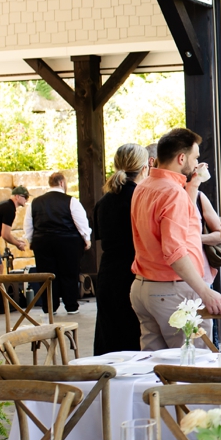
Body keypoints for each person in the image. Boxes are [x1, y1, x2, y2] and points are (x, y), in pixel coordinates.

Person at [130, 128, 221, 350]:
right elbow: (174, 251)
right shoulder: (172, 192)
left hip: (144, 288)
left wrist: (192, 186)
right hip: (172, 290)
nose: (196, 164)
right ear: (181, 158)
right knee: (193, 365)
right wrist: (205, 290)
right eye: (195, 158)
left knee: (155, 367)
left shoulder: (143, 186)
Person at [92, 144, 147, 355]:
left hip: (108, 272)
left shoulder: (104, 201)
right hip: (134, 270)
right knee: (133, 334)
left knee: (109, 334)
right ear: (144, 168)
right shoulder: (141, 197)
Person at [23, 172, 90, 314]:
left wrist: (31, 240)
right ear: (61, 183)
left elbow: (28, 225)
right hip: (68, 242)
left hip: (43, 242)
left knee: (46, 274)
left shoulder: (35, 203)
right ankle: (71, 306)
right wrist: (86, 238)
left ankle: (49, 307)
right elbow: (81, 222)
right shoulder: (71, 201)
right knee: (69, 273)